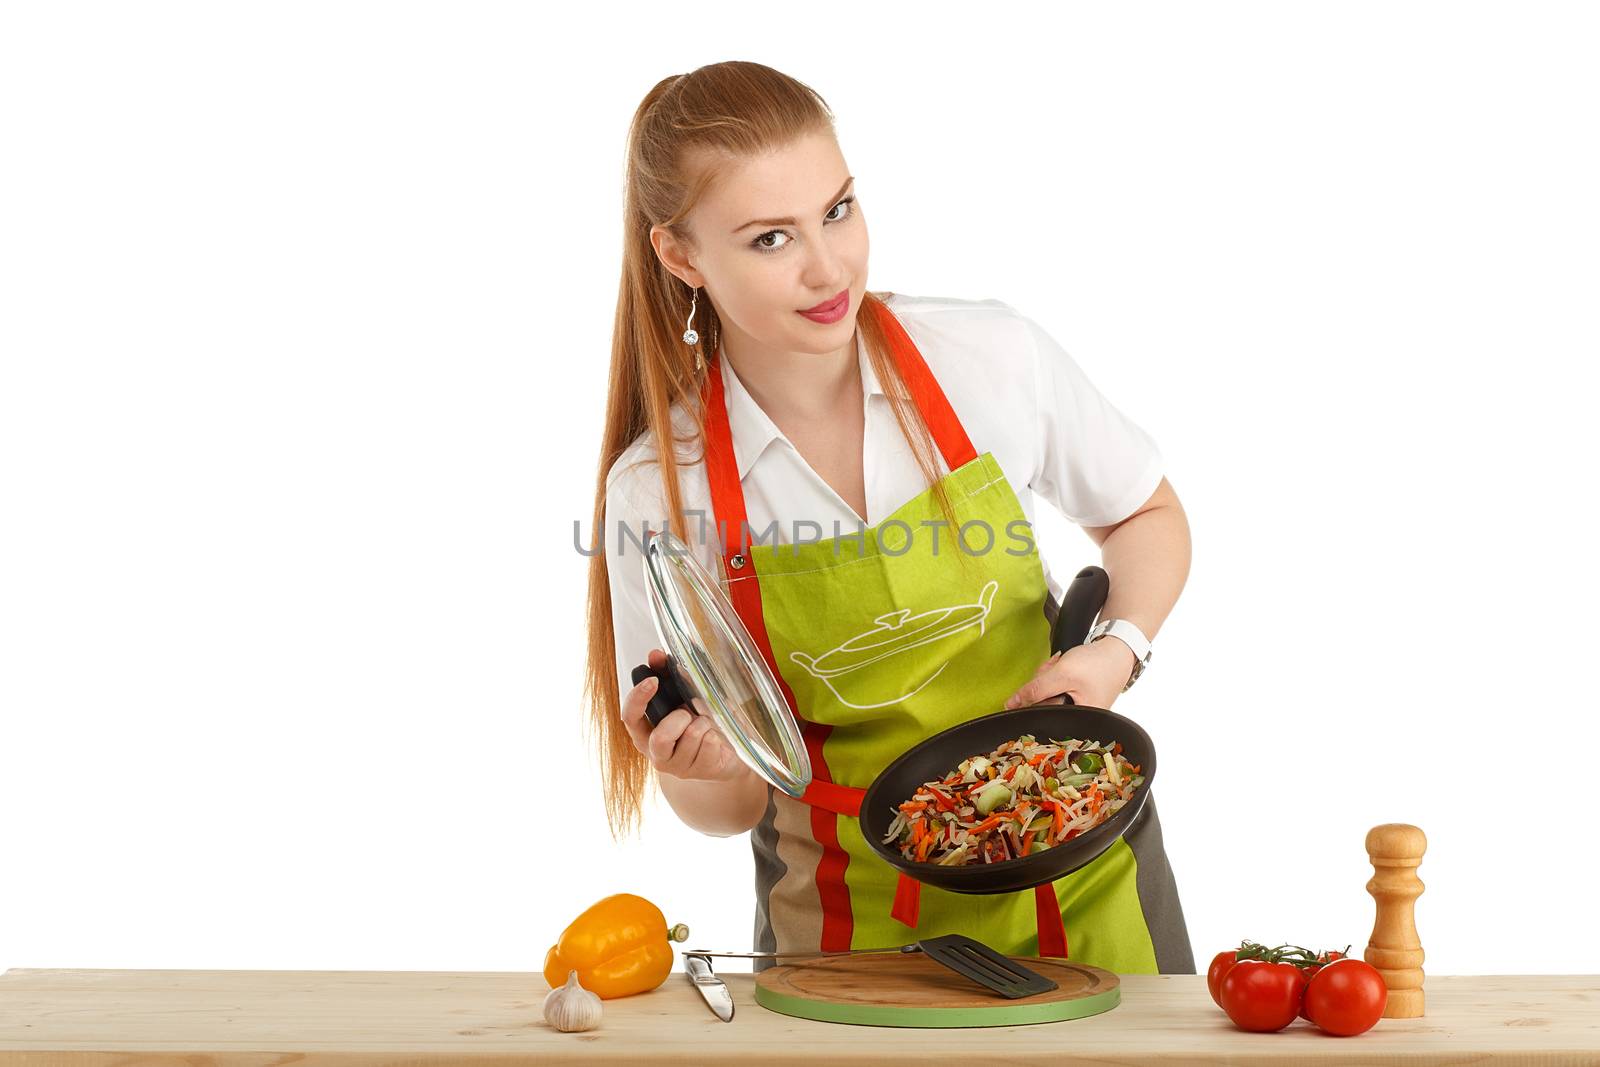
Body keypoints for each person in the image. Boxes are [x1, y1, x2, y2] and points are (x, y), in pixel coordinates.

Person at [580, 60, 1195, 975]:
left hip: (1083, 889)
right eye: (769, 239)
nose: (830, 267)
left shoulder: (988, 357)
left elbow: (1145, 511)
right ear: (680, 256)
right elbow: (726, 809)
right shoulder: (659, 492)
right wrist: (700, 763)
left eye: (837, 210)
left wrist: (1114, 652)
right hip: (843, 934)